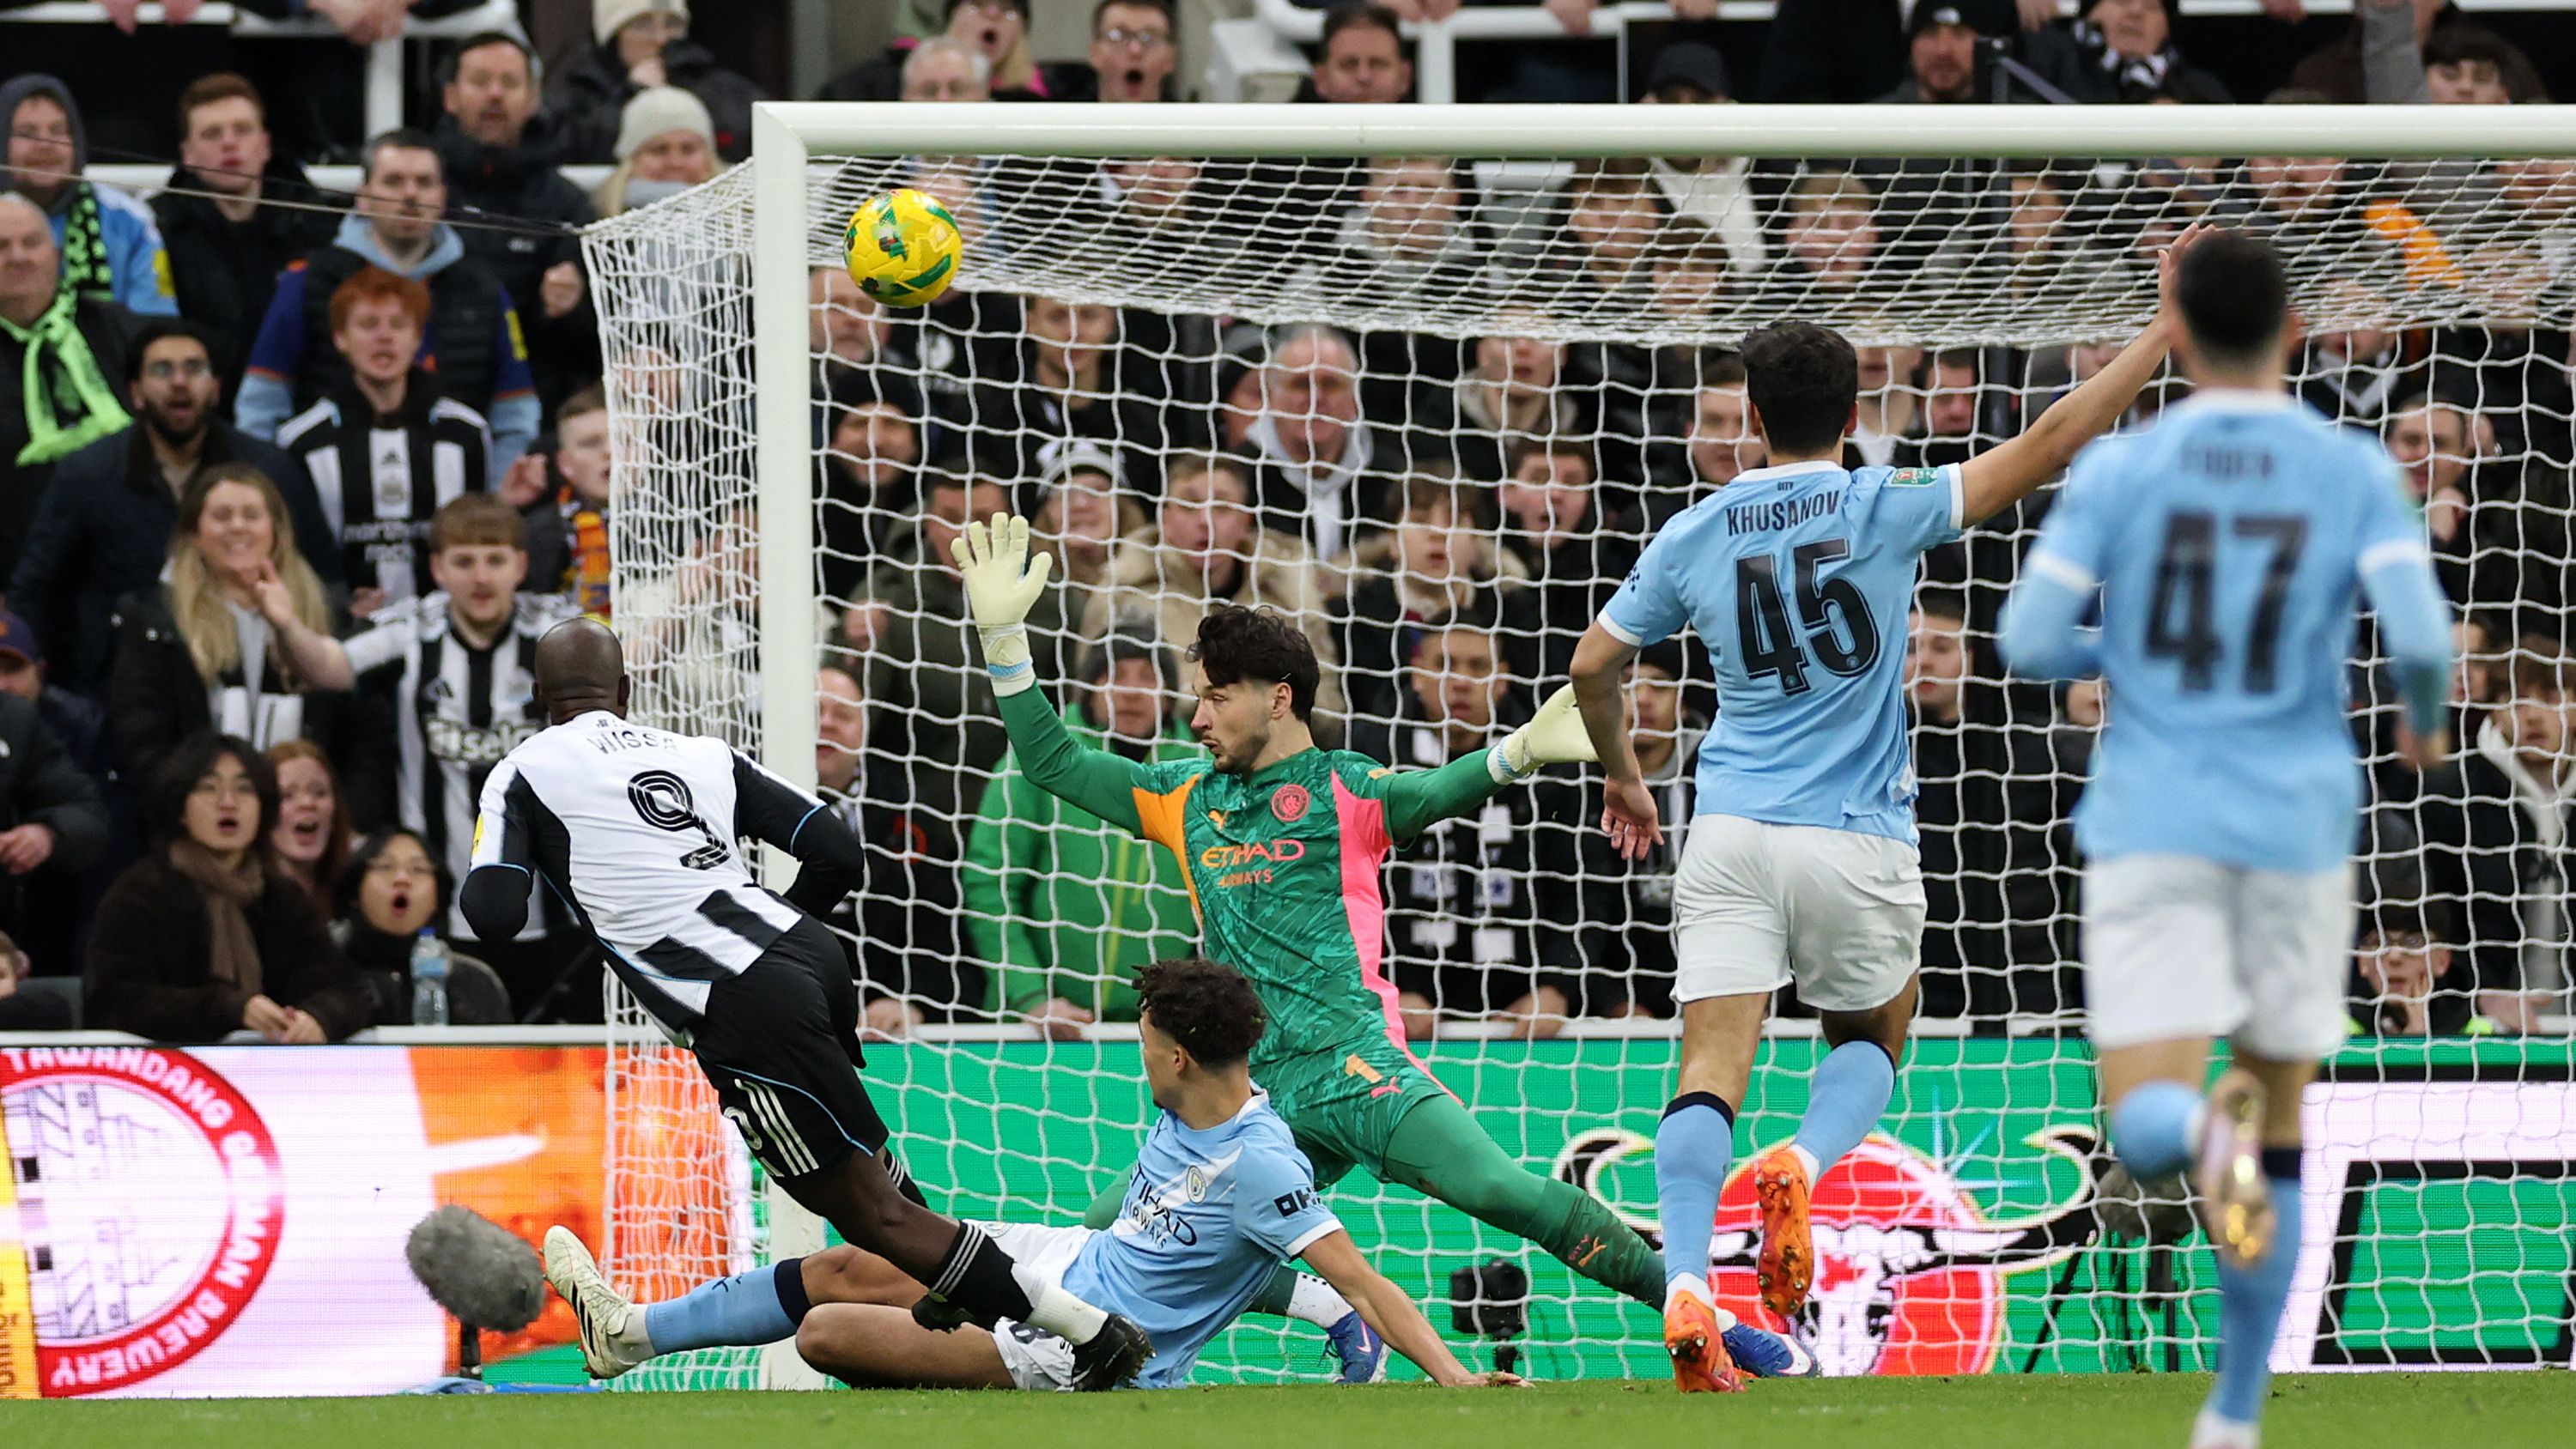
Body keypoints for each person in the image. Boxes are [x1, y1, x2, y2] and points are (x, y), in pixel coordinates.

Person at [1564, 228, 2213, 1391]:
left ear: (1750, 418)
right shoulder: (1887, 501)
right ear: (1854, 408)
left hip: (1728, 829)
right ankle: (1803, 1164)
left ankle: (1686, 1286)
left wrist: (1620, 770)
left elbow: (1591, 664)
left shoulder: (1693, 531)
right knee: (1870, 1035)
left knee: (1708, 1063)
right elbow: (2058, 436)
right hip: (1856, 834)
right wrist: (2163, 333)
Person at [955, 537, 1812, 1384]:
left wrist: (1518, 752)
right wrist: (1004, 642)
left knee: (1503, 1191)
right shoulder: (1183, 795)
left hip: (1354, 1068)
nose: (1200, 717)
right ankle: (1304, 1314)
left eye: (1217, 697)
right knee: (1108, 1233)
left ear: (1279, 697)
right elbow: (1053, 761)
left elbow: (1432, 792)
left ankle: (1710, 1314)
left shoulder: (1344, 787)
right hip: (1245, 1096)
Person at [1998, 231, 2453, 1449]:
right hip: (2299, 825)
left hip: (2154, 820)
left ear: (2178, 333)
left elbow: (2029, 639)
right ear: (2294, 329)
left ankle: (2201, 1132)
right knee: (2283, 1125)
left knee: (2149, 1117)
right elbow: (2420, 632)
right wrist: (2419, 721)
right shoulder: (2353, 465)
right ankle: (2236, 1417)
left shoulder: (2123, 467)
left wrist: (2126, 656)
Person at [458, 617, 1151, 1385]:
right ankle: (942, 1299)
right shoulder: (700, 753)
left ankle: (1088, 1335)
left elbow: (492, 916)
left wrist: (549, 863)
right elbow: (835, 849)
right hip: (810, 955)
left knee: (871, 1215)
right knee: (883, 1203)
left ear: (535, 697)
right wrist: (781, 938)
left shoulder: (521, 772)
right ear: (625, 693)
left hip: (737, 1000)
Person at [542, 959, 1517, 1391]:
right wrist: (1314, 1310)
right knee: (852, 1262)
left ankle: (957, 1372)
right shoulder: (1182, 1102)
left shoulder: (1260, 1161)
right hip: (1064, 1262)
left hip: (1077, 1351)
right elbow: (1202, 1254)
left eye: (1144, 1041)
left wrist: (1454, 1376)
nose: (1138, 1055)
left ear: (1177, 1054)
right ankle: (628, 1335)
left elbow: (1364, 1277)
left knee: (829, 1333)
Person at [261, 491, 586, 1016]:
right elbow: (327, 666)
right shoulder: (414, 630)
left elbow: (636, 653)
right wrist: (284, 624)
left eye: (495, 560)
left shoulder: (556, 631)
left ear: (521, 566)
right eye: (463, 561)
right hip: (444, 904)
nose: (480, 576)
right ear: (437, 568)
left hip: (555, 907)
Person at [11, 318, 338, 697]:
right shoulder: (87, 475)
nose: (179, 382)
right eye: (162, 370)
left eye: (194, 369)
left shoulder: (269, 470)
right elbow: (36, 590)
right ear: (135, 392)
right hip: (117, 690)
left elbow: (323, 577)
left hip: (253, 678)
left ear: (216, 390)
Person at [235, 130, 538, 475]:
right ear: (363, 196)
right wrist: (283, 497)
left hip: (457, 514)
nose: (410, 194)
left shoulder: (483, 288)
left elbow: (516, 417)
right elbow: (261, 407)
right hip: (327, 501)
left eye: (424, 183)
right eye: (394, 181)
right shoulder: (308, 281)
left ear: (441, 196)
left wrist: (489, 504)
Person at [963, 626, 1199, 1039]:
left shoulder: (1199, 775)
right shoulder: (1035, 762)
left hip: (1162, 1033)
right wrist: (1030, 996)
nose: (1131, 691)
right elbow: (991, 882)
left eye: (1147, 676)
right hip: (1033, 1029)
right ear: (1086, 688)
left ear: (1169, 695)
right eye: (1114, 675)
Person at [106, 464, 382, 805]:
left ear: (276, 530)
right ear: (194, 533)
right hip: (197, 822)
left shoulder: (330, 616)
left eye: (252, 515)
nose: (238, 526)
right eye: (222, 516)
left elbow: (364, 740)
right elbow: (140, 739)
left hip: (307, 824)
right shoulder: (155, 622)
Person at [83, 733, 373, 1044]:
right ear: (181, 808)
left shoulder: (281, 897)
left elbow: (347, 987)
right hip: (167, 1078)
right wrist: (230, 1008)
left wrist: (320, 1017)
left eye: (244, 789)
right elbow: (113, 1003)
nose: (228, 803)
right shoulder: (139, 895)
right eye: (209, 788)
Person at [275, 268, 493, 612]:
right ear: (341, 338)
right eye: (368, 324)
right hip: (342, 632)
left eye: (398, 325)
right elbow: (296, 552)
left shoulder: (465, 432)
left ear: (418, 338)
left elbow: (478, 536)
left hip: (445, 627)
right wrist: (337, 605)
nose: (384, 337)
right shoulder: (303, 440)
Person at [434, 32, 598, 415]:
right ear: (451, 97)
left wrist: (566, 310)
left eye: (509, 83)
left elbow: (595, 340)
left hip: (536, 401)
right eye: (479, 81)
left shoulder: (567, 204)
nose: (495, 94)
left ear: (533, 99)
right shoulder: (423, 186)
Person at [151, 75, 337, 397]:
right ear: (188, 155)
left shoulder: (319, 223)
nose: (229, 143)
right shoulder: (159, 227)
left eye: (242, 130)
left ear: (265, 144)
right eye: (212, 134)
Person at [0, 192, 141, 574]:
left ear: (57, 257)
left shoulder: (120, 329)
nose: (18, 257)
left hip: (128, 549)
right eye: (2, 246)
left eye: (31, 243)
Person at [1, 76, 176, 318]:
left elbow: (156, 323)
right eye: (28, 133)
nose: (45, 145)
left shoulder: (129, 220)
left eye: (58, 131)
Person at [332, 825, 512, 1027]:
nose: (402, 879)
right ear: (355, 892)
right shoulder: (326, 971)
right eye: (385, 866)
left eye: (417, 869)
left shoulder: (473, 981)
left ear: (438, 897)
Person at [555, 0, 764, 163]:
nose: (660, 38)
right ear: (613, 35)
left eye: (672, 24)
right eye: (642, 24)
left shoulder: (729, 92)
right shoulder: (579, 96)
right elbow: (578, 153)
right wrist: (631, 95)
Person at [590, 87, 722, 216]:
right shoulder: (592, 220)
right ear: (632, 159)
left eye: (688, 149)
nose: (675, 163)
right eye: (659, 150)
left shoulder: (740, 223)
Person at [267, 737, 352, 915]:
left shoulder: (355, 899)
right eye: (287, 795)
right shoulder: (241, 905)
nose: (307, 803)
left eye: (319, 793)